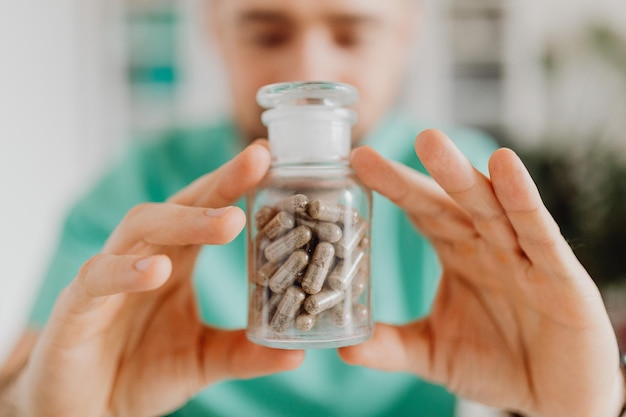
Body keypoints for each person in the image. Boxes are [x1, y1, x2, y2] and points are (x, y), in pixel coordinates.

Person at [1, 0, 624, 416]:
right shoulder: (139, 185)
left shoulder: (462, 184)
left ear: (406, 33)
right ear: (214, 31)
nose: (310, 68)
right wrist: (44, 405)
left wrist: (579, 404)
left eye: (351, 31)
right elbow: (16, 383)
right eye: (267, 31)